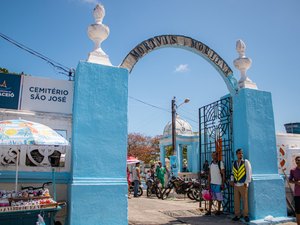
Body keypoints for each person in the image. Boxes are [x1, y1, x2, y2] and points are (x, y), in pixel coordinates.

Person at [230, 148, 252, 222]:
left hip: (243, 184)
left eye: (241, 153)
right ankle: (237, 215)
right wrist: (232, 180)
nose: (241, 154)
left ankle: (246, 215)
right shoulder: (234, 163)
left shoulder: (246, 162)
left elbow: (249, 173)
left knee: (245, 200)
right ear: (237, 154)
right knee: (236, 201)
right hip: (236, 184)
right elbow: (233, 172)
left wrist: (247, 182)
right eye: (239, 153)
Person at [205, 151, 225, 216]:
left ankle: (219, 210)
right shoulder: (211, 164)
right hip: (212, 183)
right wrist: (208, 183)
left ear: (217, 156)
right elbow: (209, 174)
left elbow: (223, 173)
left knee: (219, 198)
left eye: (215, 155)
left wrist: (223, 183)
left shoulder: (220, 163)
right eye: (213, 155)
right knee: (210, 198)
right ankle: (209, 211)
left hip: (218, 183)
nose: (214, 156)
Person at [289, 156, 300, 225]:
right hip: (297, 193)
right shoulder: (293, 170)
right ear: (295, 161)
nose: (298, 161)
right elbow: (290, 180)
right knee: (298, 210)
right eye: (297, 160)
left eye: (299, 160)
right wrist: (296, 182)